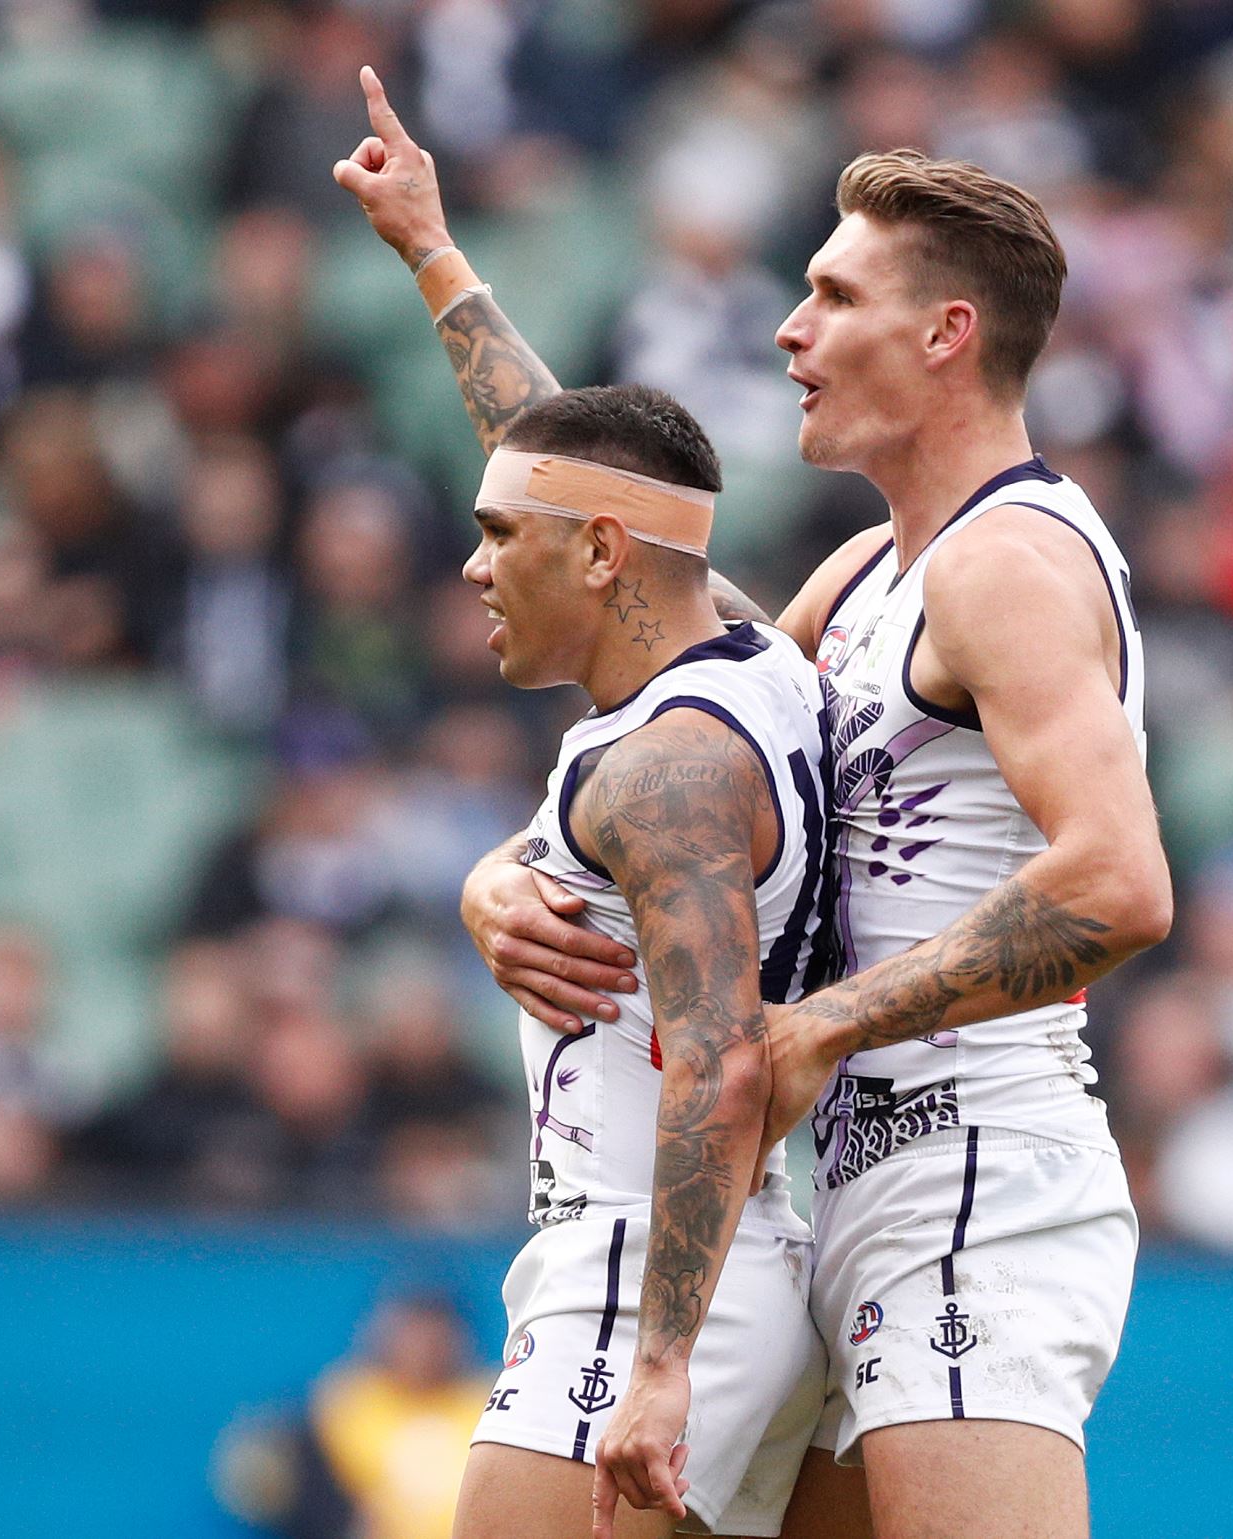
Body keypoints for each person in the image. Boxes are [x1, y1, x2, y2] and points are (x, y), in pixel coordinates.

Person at [338, 72, 1172, 1539]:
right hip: (848, 1175)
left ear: (944, 334)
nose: (790, 331)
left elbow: (1119, 882)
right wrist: (436, 260)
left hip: (971, 1163)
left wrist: (819, 1023)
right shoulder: (861, 578)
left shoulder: (1008, 567)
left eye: (832, 295)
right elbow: (612, 555)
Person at [438, 383, 832, 1539]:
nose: (475, 566)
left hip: (639, 1269)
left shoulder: (669, 769)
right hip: (725, 1264)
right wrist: (432, 258)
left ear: (603, 551)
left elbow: (720, 1063)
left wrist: (658, 1366)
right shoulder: (750, 653)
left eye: (499, 534)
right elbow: (570, 450)